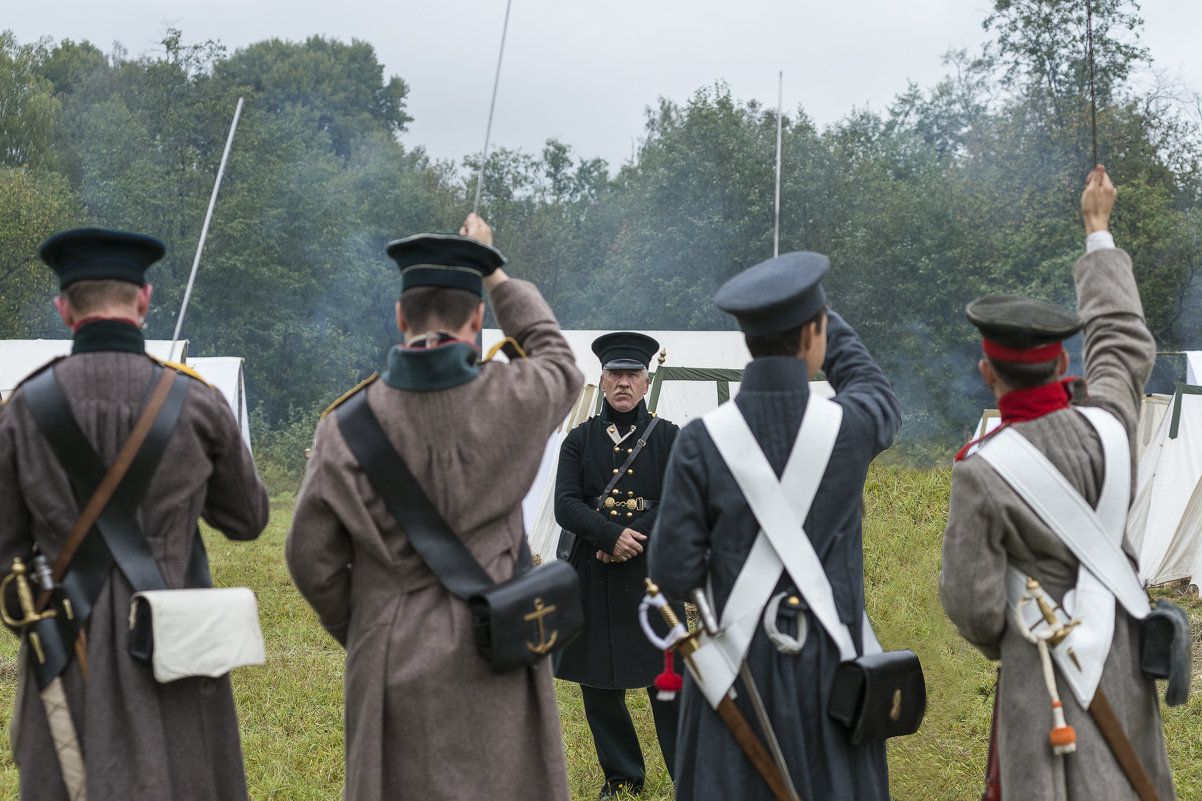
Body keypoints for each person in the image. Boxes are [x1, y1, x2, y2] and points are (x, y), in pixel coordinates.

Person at [285, 214, 582, 801]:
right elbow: (559, 359)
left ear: (401, 319)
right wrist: (493, 272)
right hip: (501, 638)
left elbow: (308, 557)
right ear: (477, 321)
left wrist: (375, 623)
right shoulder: (516, 395)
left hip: (391, 653)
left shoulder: (344, 428)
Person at [0, 228, 270, 801]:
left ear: (63, 307)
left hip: (64, 654)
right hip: (175, 655)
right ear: (144, 300)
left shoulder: (22, 409)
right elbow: (248, 520)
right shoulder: (197, 403)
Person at [940, 168, 1174, 801]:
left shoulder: (982, 471)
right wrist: (1098, 231)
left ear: (987, 372)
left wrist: (1016, 638)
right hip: (1123, 656)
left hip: (1041, 672)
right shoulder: (1113, 423)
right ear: (1063, 363)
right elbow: (1122, 340)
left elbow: (974, 606)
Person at [648, 252, 901, 800]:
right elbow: (873, 387)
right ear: (818, 334)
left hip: (738, 675)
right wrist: (821, 308)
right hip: (834, 671)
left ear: (746, 343)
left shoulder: (699, 441)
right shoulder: (853, 426)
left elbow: (671, 571)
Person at [553, 331, 682, 798]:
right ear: (602, 381)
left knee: (667, 682)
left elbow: (682, 502)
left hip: (652, 576)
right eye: (615, 375)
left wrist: (630, 538)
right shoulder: (579, 440)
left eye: (633, 375)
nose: (623, 383)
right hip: (594, 573)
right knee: (599, 684)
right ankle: (623, 777)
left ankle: (687, 775)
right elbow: (565, 504)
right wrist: (607, 534)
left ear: (646, 383)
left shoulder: (670, 437)